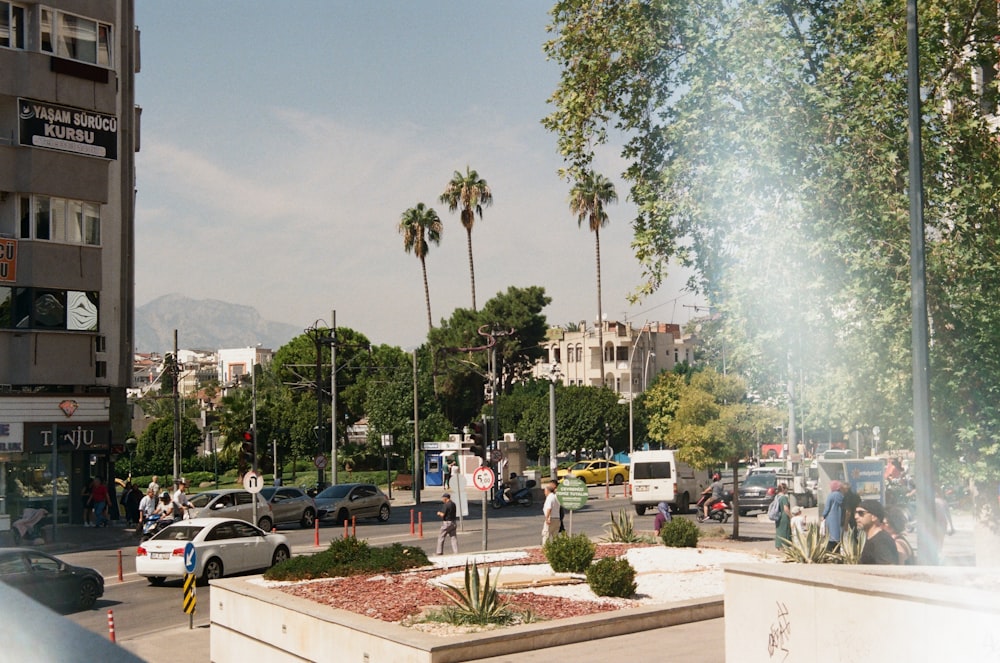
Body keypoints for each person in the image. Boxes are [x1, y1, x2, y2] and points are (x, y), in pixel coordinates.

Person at [856, 499, 898, 564]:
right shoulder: (871, 538)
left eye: (861, 513)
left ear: (874, 517)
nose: (856, 516)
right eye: (855, 513)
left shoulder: (881, 541)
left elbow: (888, 568)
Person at [822, 480, 845, 552]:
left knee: (830, 536)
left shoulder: (831, 495)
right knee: (837, 536)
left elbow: (827, 508)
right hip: (837, 517)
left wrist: (823, 515)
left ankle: (829, 551)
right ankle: (837, 551)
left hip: (830, 518)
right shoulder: (840, 495)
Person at [774, 483, 792, 548]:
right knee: (785, 532)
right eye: (786, 488)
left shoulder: (777, 497)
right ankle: (784, 546)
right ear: (783, 489)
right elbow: (786, 509)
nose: (787, 490)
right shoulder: (784, 498)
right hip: (784, 517)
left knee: (779, 531)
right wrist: (791, 516)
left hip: (778, 517)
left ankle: (778, 545)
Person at [542, 480, 559, 546]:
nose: (544, 493)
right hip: (557, 518)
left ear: (547, 491)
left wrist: (547, 518)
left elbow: (549, 508)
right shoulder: (556, 497)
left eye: (545, 491)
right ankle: (556, 548)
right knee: (555, 535)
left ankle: (545, 548)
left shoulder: (549, 497)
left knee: (546, 534)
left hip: (551, 518)